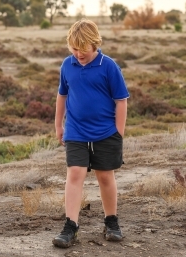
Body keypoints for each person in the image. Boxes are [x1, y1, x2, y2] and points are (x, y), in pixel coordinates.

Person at [52, 19, 129, 248]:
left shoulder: (109, 66)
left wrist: (119, 133)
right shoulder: (67, 65)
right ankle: (70, 226)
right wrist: (58, 125)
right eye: (74, 48)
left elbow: (121, 100)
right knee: (75, 174)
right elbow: (62, 96)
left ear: (94, 43)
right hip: (76, 131)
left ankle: (111, 221)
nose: (78, 53)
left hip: (106, 133)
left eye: (82, 48)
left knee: (105, 176)